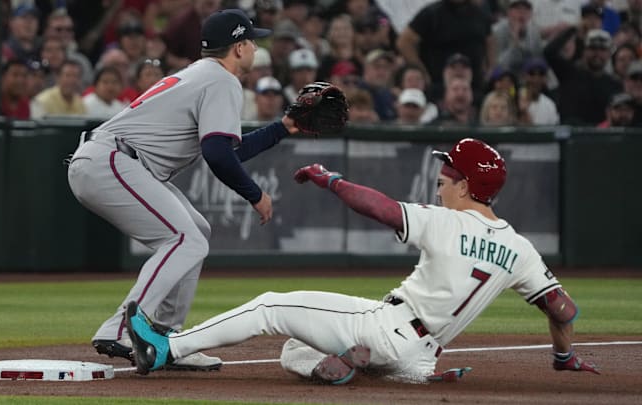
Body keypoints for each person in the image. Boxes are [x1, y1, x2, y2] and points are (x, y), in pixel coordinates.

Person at [124, 138, 601, 384]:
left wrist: (330, 178)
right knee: (295, 351)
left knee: (269, 306)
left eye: (447, 175)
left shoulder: (446, 221)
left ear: (466, 186)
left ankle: (166, 349)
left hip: (386, 327)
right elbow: (564, 310)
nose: (440, 180)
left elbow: (379, 207)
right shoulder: (520, 247)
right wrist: (563, 357)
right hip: (423, 352)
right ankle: (384, 374)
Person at [67, 9, 301, 371]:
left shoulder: (202, 75)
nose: (256, 46)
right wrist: (255, 194)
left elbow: (228, 147)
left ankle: (166, 340)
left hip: (111, 160)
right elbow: (218, 154)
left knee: (196, 234)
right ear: (238, 48)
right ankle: (122, 328)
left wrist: (282, 127)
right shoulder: (221, 80)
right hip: (113, 161)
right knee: (184, 240)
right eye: (252, 40)